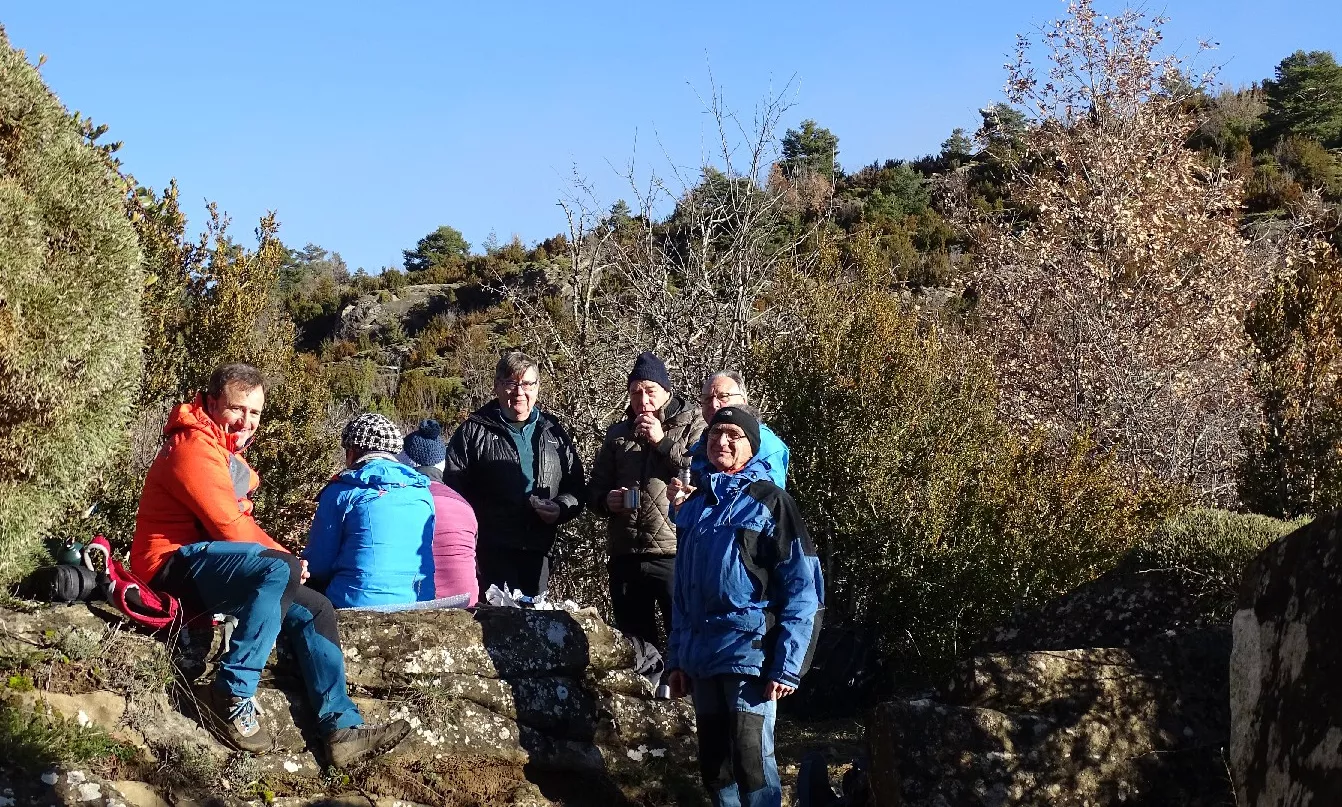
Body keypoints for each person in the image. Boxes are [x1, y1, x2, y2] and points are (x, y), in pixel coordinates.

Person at [131, 363, 410, 766]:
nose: (247, 421)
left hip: (208, 565)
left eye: (256, 413)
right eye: (237, 409)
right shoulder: (192, 447)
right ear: (211, 404)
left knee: (315, 608)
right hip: (168, 565)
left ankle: (341, 729)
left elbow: (237, 527)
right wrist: (288, 561)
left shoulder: (216, 448)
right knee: (279, 570)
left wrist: (288, 563)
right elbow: (229, 526)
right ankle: (230, 692)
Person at [666, 405, 824, 807]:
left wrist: (788, 665)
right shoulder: (695, 508)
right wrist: (677, 658)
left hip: (751, 651)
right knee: (714, 765)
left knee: (751, 758)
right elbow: (683, 596)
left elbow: (803, 589)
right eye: (715, 435)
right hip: (702, 655)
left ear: (751, 446)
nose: (722, 442)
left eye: (734, 436)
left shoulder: (771, 502)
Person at [589, 351, 704, 653]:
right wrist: (605, 500)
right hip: (625, 552)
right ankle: (644, 699)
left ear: (667, 390)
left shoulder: (693, 422)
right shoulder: (618, 433)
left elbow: (700, 472)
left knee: (684, 636)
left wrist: (661, 441)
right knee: (636, 645)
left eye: (650, 391)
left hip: (673, 552)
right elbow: (595, 488)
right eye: (635, 392)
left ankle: (685, 700)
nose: (643, 400)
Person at [443, 352, 585, 596]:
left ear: (538, 388)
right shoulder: (472, 432)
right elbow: (454, 498)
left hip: (539, 551)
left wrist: (560, 508)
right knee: (496, 627)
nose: (520, 392)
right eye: (511, 384)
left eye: (528, 384)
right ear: (497, 386)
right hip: (491, 552)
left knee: (534, 624)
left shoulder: (554, 432)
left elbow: (577, 487)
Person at [303, 414, 436, 608]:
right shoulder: (423, 492)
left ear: (352, 452)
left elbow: (319, 564)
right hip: (419, 601)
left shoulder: (341, 491)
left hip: (353, 603)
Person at [403, 418, 480, 607]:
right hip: (466, 603)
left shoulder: (400, 502)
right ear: (442, 464)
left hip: (419, 604)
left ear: (404, 461)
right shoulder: (464, 505)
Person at [687, 371, 789, 488]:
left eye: (723, 397)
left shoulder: (767, 445)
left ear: (743, 401)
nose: (714, 404)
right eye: (707, 399)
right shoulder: (703, 441)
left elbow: (769, 500)